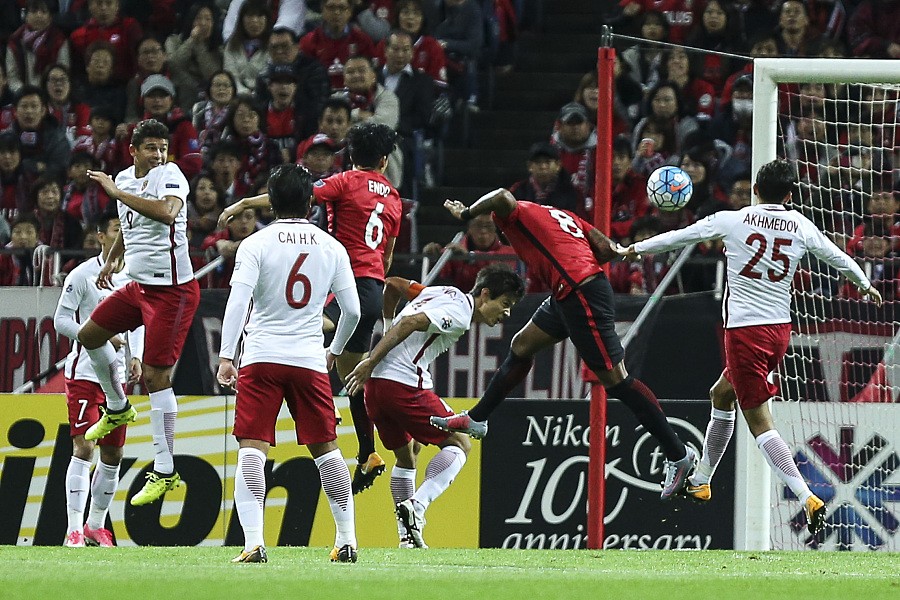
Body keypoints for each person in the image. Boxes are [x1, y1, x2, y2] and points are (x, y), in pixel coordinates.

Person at [616, 159, 883, 535]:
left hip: (745, 334)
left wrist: (635, 249)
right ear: (789, 195)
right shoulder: (801, 225)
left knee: (759, 422)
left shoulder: (732, 220)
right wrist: (864, 284)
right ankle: (702, 479)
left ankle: (807, 495)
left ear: (756, 189)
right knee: (721, 394)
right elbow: (837, 257)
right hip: (779, 332)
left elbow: (680, 237)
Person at [431, 190, 699, 500]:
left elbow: (502, 196)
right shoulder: (562, 215)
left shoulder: (515, 214)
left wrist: (466, 213)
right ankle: (478, 418)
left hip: (580, 293)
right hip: (567, 293)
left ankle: (678, 455)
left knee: (617, 381)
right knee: (522, 346)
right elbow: (605, 249)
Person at [220, 122, 403, 495]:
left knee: (305, 321)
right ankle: (367, 452)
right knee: (352, 377)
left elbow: (294, 194)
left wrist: (244, 203)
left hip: (345, 284)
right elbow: (387, 256)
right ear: (384, 161)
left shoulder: (346, 181)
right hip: (373, 286)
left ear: (351, 157)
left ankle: (321, 397)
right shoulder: (395, 198)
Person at [216, 163, 361, 564]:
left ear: (271, 202)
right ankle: (347, 540)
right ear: (312, 202)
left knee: (252, 448)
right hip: (309, 359)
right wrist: (335, 350)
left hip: (262, 357)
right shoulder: (332, 247)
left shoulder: (255, 244)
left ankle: (253, 543)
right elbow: (352, 310)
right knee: (327, 449)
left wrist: (227, 355)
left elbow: (238, 302)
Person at [345, 264, 525, 548]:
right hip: (402, 384)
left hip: (377, 389)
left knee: (407, 457)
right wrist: (371, 360)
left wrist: (387, 323)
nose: (507, 313)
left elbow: (393, 284)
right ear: (484, 294)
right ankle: (417, 506)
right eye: (505, 303)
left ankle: (407, 538)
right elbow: (410, 323)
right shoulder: (460, 314)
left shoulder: (442, 291)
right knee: (461, 443)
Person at [77, 119, 200, 507]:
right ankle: (117, 407)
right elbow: (130, 229)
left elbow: (167, 213)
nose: (158, 154)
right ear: (133, 150)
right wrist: (112, 259)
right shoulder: (126, 178)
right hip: (139, 286)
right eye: (151, 147)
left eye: (162, 147)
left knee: (154, 377)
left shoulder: (171, 175)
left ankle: (165, 470)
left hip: (173, 292)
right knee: (89, 335)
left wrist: (116, 191)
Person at [53, 215, 144, 548]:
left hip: (116, 379)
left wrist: (136, 356)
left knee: (114, 453)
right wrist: (96, 336)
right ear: (101, 236)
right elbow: (60, 320)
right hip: (85, 374)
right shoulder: (82, 275)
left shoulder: (134, 276)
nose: (123, 236)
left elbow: (139, 322)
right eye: (117, 230)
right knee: (84, 446)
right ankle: (73, 530)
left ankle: (95, 526)